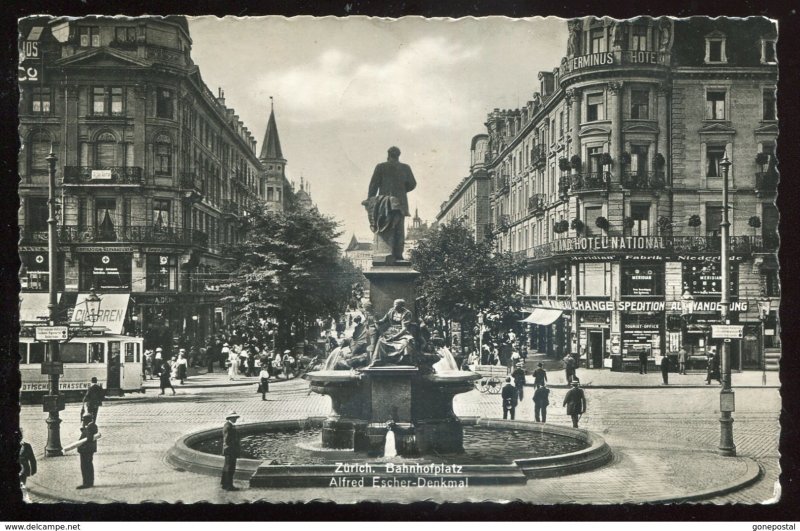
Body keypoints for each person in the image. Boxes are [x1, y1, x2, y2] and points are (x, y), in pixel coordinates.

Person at [364, 146, 418, 264]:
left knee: (384, 225)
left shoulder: (381, 167)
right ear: (399, 155)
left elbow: (373, 185)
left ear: (388, 155)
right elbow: (413, 184)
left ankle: (385, 253)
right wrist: (402, 189)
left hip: (385, 202)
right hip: (400, 202)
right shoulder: (405, 168)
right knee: (399, 228)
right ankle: (398, 255)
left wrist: (370, 200)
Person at [370, 299, 416, 367]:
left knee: (405, 343)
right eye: (394, 304)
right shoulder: (391, 311)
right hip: (390, 331)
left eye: (397, 305)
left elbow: (404, 328)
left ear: (402, 306)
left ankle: (404, 362)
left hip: (402, 332)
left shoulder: (407, 313)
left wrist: (394, 337)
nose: (394, 306)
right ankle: (377, 361)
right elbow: (383, 320)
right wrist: (376, 321)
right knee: (381, 341)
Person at [76, 412, 98, 489]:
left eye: (84, 420)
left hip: (86, 450)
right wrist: (83, 429)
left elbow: (88, 438)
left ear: (87, 420)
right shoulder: (92, 426)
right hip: (89, 449)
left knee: (85, 466)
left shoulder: (90, 427)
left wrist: (85, 430)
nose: (83, 421)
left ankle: (87, 482)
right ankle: (89, 481)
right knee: (88, 465)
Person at [221, 411, 241, 491]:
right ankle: (229, 486)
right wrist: (233, 448)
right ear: (230, 418)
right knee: (230, 468)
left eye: (235, 418)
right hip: (230, 451)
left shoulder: (228, 425)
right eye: (234, 418)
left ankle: (224, 484)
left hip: (228, 450)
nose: (235, 419)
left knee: (226, 467)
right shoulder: (229, 427)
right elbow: (227, 440)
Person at [19, 428, 37, 494]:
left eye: (20, 435)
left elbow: (32, 459)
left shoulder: (27, 446)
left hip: (24, 469)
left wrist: (33, 471)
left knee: (22, 483)